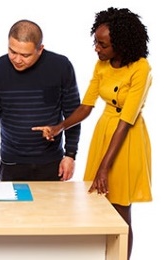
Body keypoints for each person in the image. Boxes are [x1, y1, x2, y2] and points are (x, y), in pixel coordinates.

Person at [32, 7, 152, 259]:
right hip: (105, 130)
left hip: (126, 137)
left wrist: (104, 167)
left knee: (120, 209)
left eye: (103, 44)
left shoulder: (141, 68)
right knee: (98, 204)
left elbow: (126, 121)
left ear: (121, 44)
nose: (97, 48)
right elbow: (86, 106)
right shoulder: (102, 65)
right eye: (96, 41)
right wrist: (59, 126)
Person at [0, 19, 81, 182]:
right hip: (12, 161)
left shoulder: (61, 66)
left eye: (25, 55)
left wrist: (70, 155)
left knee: (51, 208)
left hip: (51, 161)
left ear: (40, 49)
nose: (17, 59)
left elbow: (73, 114)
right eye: (12, 51)